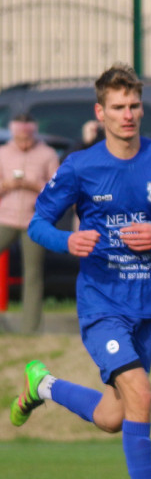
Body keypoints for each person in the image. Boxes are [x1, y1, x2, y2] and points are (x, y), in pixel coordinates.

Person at [9, 63, 151, 479]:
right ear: (102, 112)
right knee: (141, 392)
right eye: (118, 107)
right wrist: (66, 242)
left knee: (115, 415)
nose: (128, 114)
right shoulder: (81, 166)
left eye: (134, 106)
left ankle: (43, 385)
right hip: (101, 304)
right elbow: (37, 223)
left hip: (150, 302)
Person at [0, 114, 60, 333]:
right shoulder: (3, 153)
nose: (23, 141)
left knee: (33, 273)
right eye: (19, 137)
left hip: (34, 219)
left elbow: (56, 191)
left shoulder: (47, 154)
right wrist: (8, 184)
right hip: (4, 217)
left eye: (27, 136)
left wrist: (34, 185)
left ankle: (30, 329)